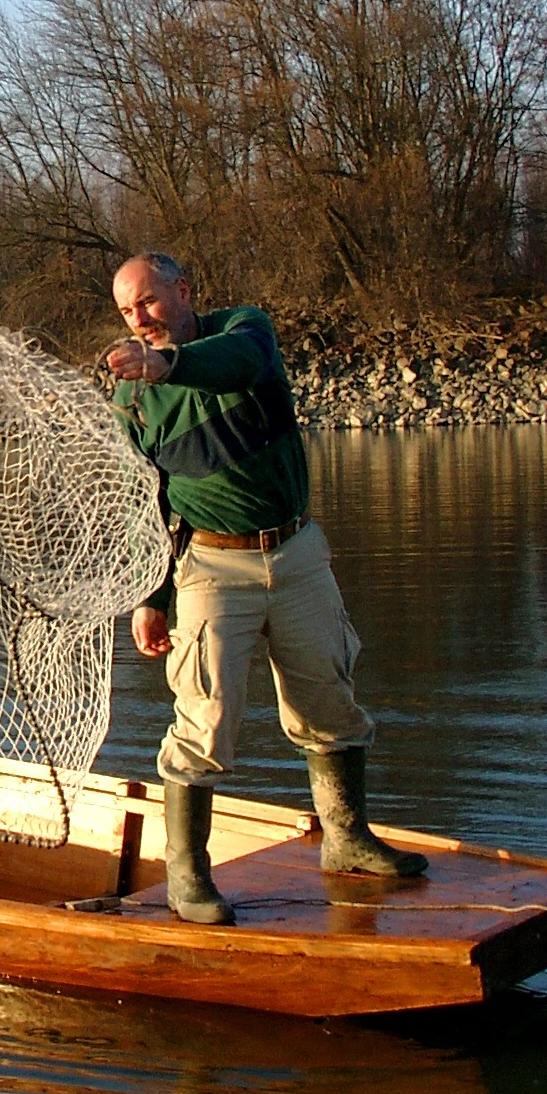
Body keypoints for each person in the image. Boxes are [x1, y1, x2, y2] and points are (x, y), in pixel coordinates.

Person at [105, 252, 427, 926]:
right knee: (206, 720)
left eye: (149, 303)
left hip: (297, 552)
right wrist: (152, 598)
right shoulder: (132, 397)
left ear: (183, 290)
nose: (140, 320)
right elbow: (145, 506)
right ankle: (188, 877)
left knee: (329, 700)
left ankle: (347, 838)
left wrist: (167, 365)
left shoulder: (245, 330)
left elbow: (238, 365)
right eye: (128, 312)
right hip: (211, 568)